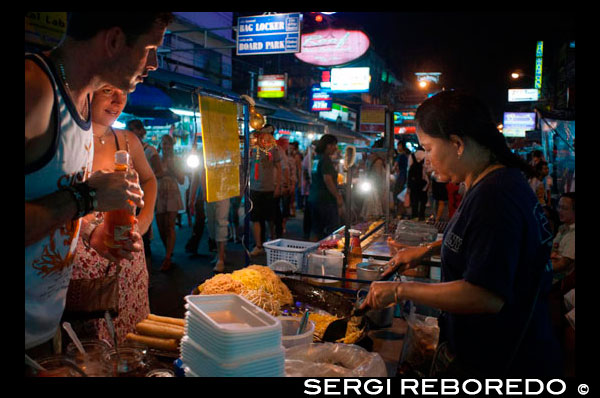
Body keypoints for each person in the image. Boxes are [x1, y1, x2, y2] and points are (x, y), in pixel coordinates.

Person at [362, 91, 561, 377]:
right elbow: (487, 241)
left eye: (429, 148)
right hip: (493, 349)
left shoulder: (495, 195)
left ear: (456, 143)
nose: (427, 159)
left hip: (502, 360)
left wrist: (398, 290)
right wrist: (428, 249)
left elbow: (485, 296)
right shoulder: (495, 180)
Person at [25, 12, 173, 356]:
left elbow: (48, 197)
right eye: (150, 48)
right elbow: (73, 197)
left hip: (45, 329)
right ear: (114, 41)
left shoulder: (84, 103)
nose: (153, 63)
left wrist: (93, 231)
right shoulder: (34, 88)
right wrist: (87, 196)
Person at [69, 85, 157, 344]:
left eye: (123, 91)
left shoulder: (127, 139)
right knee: (92, 343)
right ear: (87, 92)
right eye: (107, 90)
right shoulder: (69, 140)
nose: (118, 100)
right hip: (84, 259)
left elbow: (150, 180)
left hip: (128, 257)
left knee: (134, 336)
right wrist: (90, 228)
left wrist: (143, 222)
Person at [127, 119, 164, 271]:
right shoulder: (126, 146)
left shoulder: (149, 150)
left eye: (132, 129)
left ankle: (146, 268)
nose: (129, 132)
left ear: (139, 131)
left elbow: (155, 175)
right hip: (128, 198)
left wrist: (142, 182)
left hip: (142, 197)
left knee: (144, 236)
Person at [248, 125, 281, 256]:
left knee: (270, 218)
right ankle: (258, 245)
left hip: (268, 188)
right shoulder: (251, 150)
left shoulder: (273, 150)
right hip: (254, 188)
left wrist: (278, 185)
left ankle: (272, 240)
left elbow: (279, 168)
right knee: (255, 218)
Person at [155, 134, 185, 271]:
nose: (166, 146)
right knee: (161, 226)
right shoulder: (156, 159)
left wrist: (172, 168)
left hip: (172, 191)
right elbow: (151, 175)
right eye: (164, 143)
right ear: (161, 145)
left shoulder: (177, 160)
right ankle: (168, 249)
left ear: (172, 146)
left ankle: (167, 257)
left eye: (169, 144)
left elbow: (182, 180)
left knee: (170, 225)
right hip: (159, 192)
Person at [308, 134, 345, 241]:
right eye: (334, 145)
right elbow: (327, 179)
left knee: (316, 229)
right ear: (328, 146)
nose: (336, 148)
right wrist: (338, 196)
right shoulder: (325, 159)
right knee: (332, 229)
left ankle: (312, 253)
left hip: (314, 197)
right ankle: (328, 254)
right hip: (325, 199)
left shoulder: (317, 158)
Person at [551, 193, 575, 285]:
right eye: (559, 207)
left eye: (564, 208)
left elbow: (562, 264)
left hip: (559, 284)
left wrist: (537, 267)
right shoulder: (563, 228)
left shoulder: (573, 234)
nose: (559, 211)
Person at [360, 138, 386, 220]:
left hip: (370, 188)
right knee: (374, 214)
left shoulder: (370, 158)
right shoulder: (378, 161)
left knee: (369, 213)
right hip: (375, 190)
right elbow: (378, 177)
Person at [406, 145, 429, 221]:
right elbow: (428, 169)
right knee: (423, 200)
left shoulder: (412, 155)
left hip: (413, 181)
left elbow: (409, 168)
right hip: (423, 182)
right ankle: (421, 216)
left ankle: (414, 216)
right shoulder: (426, 156)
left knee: (414, 199)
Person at [392, 140, 409, 218]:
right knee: (401, 194)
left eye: (399, 145)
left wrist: (392, 170)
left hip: (401, 176)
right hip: (404, 175)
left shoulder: (401, 156)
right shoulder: (406, 155)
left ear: (402, 146)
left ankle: (399, 212)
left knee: (398, 194)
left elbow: (395, 167)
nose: (398, 147)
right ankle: (401, 212)